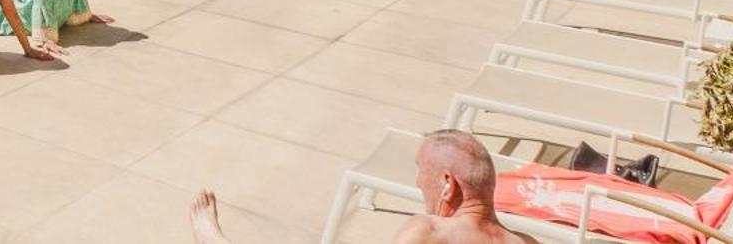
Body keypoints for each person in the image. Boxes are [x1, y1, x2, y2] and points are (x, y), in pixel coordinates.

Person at [186, 133, 523, 244]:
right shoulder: (528, 242)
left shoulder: (429, 232)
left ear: (448, 184)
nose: (419, 183)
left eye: (421, 174)